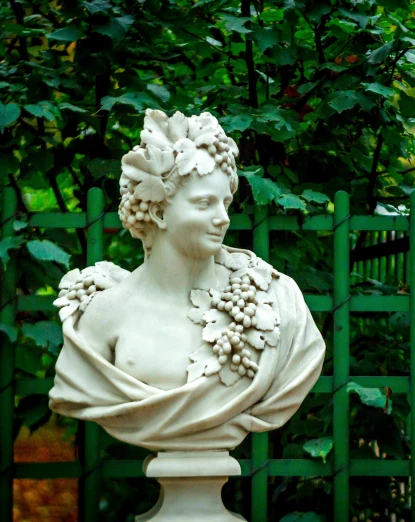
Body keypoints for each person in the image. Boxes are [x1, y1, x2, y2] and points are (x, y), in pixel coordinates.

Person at [48, 109, 325, 452]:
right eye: (204, 203)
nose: (223, 219)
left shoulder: (276, 301)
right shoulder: (104, 313)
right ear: (159, 213)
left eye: (225, 203)